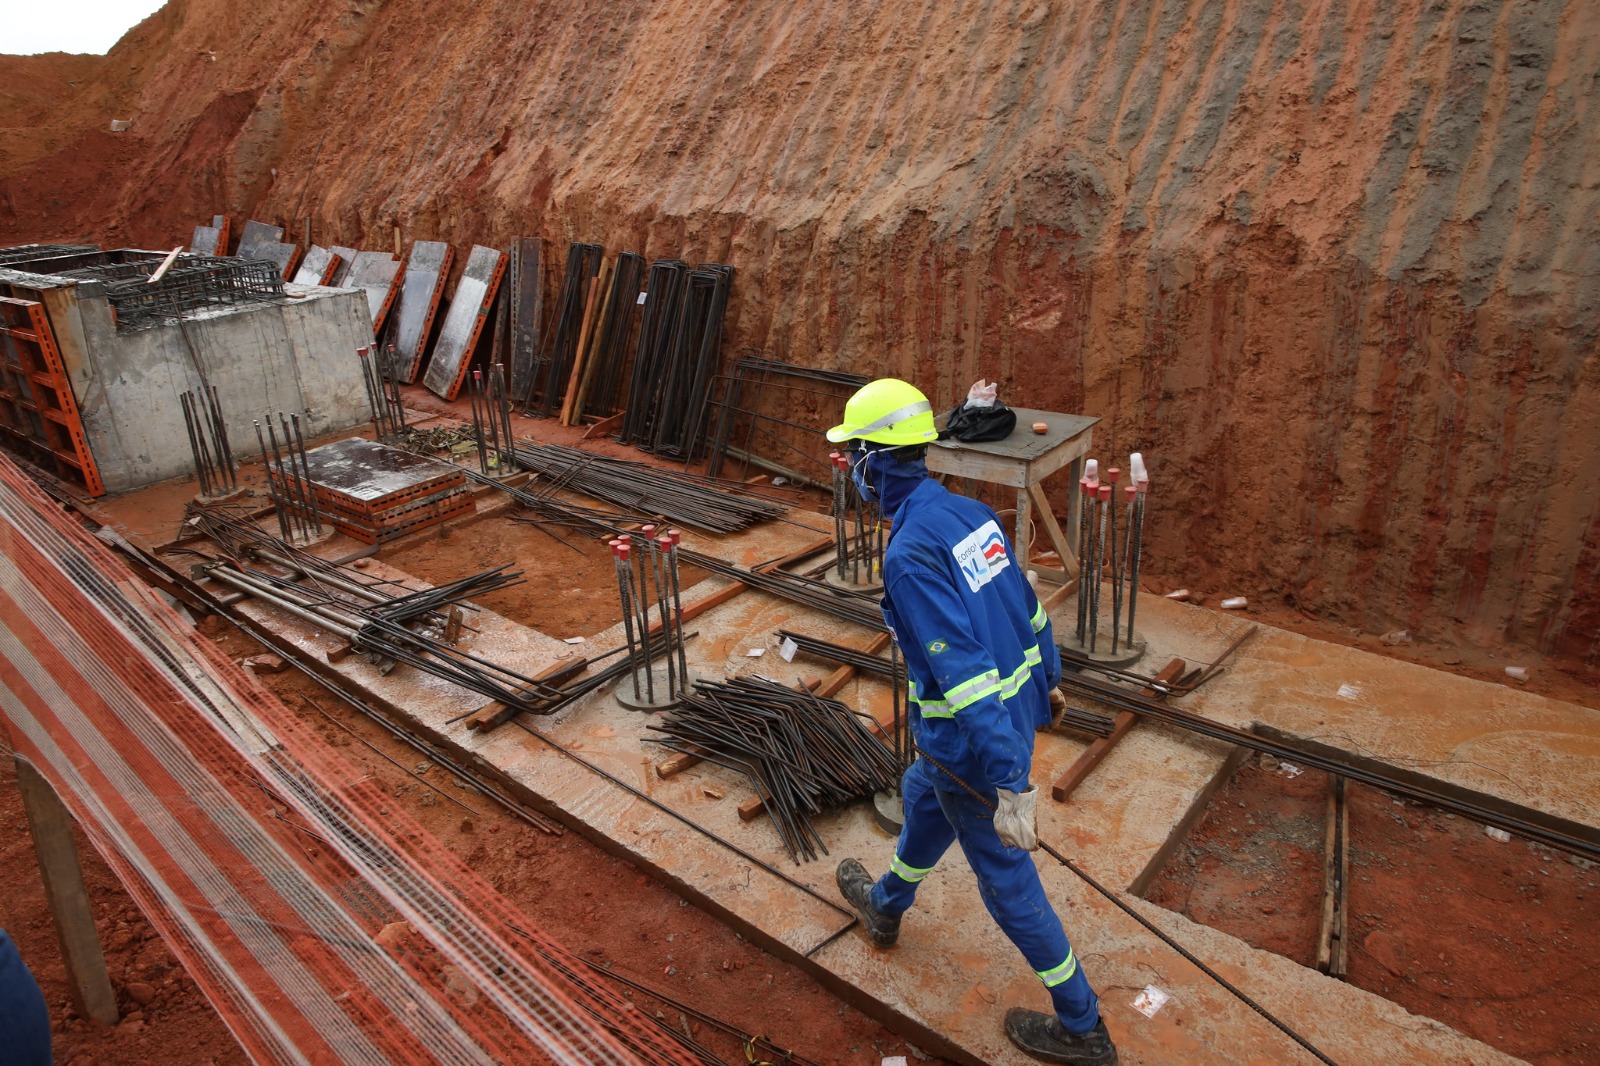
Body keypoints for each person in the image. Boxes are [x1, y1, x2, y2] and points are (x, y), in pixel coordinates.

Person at [827, 378, 1117, 1066]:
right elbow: (1030, 610)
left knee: (1008, 882)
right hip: (983, 735)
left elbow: (964, 676)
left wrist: (1011, 782)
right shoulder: (973, 515)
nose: (852, 473)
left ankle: (1083, 1026)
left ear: (873, 461)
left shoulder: (908, 557)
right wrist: (1049, 683)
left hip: (974, 748)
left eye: (854, 458)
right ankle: (888, 905)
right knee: (923, 799)